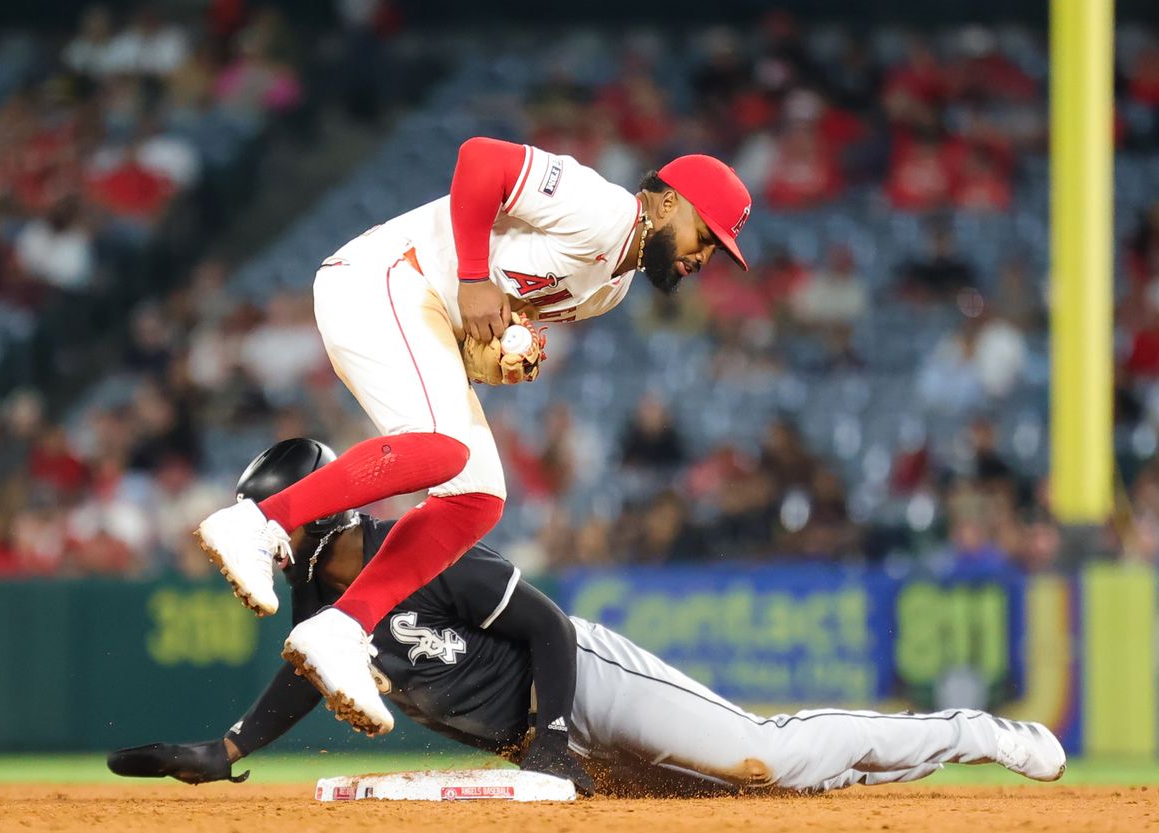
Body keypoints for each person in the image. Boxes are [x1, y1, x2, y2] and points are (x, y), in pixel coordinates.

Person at [114, 440, 1066, 797]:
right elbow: (308, 671)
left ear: (323, 517)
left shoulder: (427, 548)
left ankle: (976, 731)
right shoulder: (330, 609)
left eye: (283, 525)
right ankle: (874, 773)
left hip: (587, 686)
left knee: (763, 758)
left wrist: (554, 739)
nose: (275, 547)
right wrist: (227, 744)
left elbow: (549, 632)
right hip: (551, 742)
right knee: (772, 798)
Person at [193, 138, 754, 737]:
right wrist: (473, 277)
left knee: (477, 497)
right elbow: (480, 159)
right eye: (707, 234)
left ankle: (344, 626)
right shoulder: (604, 209)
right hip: (382, 278)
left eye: (719, 249)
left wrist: (499, 353)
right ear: (668, 204)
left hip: (419, 305)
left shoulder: (610, 289)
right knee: (442, 448)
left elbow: (480, 327)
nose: (706, 256)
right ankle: (258, 522)